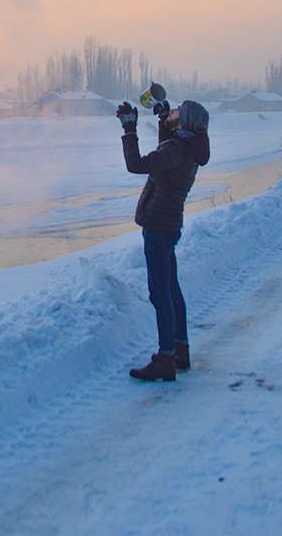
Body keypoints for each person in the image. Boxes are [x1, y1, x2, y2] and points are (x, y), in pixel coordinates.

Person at [115, 94, 211, 382]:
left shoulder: (176, 149)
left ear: (185, 121)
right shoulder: (188, 147)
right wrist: (163, 119)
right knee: (171, 289)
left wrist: (129, 129)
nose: (174, 110)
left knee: (160, 294)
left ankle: (165, 359)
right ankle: (180, 350)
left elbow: (137, 164)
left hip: (158, 226)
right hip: (169, 225)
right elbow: (165, 153)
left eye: (178, 110)